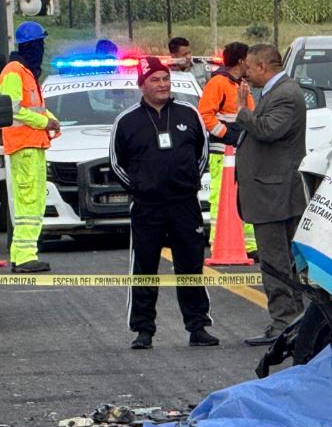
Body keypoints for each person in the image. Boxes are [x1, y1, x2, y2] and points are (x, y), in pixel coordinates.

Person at [110, 56, 219, 349]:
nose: (162, 85)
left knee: (191, 267)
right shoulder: (127, 121)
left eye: (165, 79)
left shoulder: (188, 114)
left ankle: (198, 327)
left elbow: (202, 155)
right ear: (142, 84)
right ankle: (143, 330)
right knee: (144, 268)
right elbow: (116, 162)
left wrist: (186, 184)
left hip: (184, 204)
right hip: (147, 207)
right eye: (155, 80)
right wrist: (139, 188)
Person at [235, 43, 306, 345]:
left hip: (275, 196)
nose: (246, 74)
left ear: (263, 67)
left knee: (276, 262)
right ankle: (293, 323)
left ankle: (285, 323)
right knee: (282, 261)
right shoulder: (277, 93)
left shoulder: (286, 95)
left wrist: (242, 112)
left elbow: (267, 130)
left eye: (249, 68)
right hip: (272, 193)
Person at [0, 21, 61, 273]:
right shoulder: (14, 71)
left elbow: (32, 105)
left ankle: (24, 254)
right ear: (32, 46)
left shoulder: (26, 72)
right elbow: (13, 108)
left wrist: (50, 119)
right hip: (23, 145)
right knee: (27, 203)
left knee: (33, 202)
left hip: (32, 144)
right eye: (40, 44)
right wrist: (43, 121)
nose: (42, 49)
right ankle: (24, 257)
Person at [197, 42, 258, 258]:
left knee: (245, 196)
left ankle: (248, 246)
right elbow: (205, 116)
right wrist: (228, 135)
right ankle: (219, 241)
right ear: (241, 61)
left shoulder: (238, 84)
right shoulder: (219, 83)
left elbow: (250, 114)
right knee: (220, 197)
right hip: (222, 153)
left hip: (241, 150)